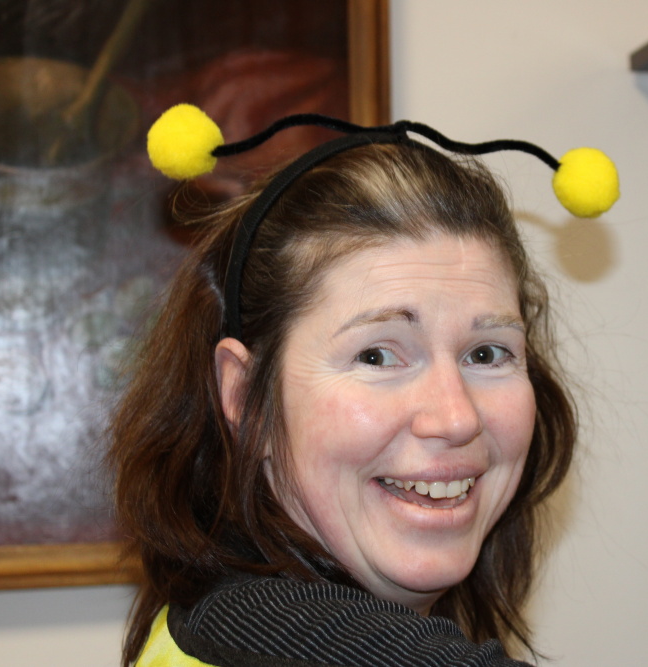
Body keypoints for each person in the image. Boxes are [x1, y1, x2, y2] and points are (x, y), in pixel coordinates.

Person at [108, 106, 618, 666]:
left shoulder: (203, 624)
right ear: (245, 398)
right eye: (376, 356)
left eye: (486, 353)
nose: (456, 418)